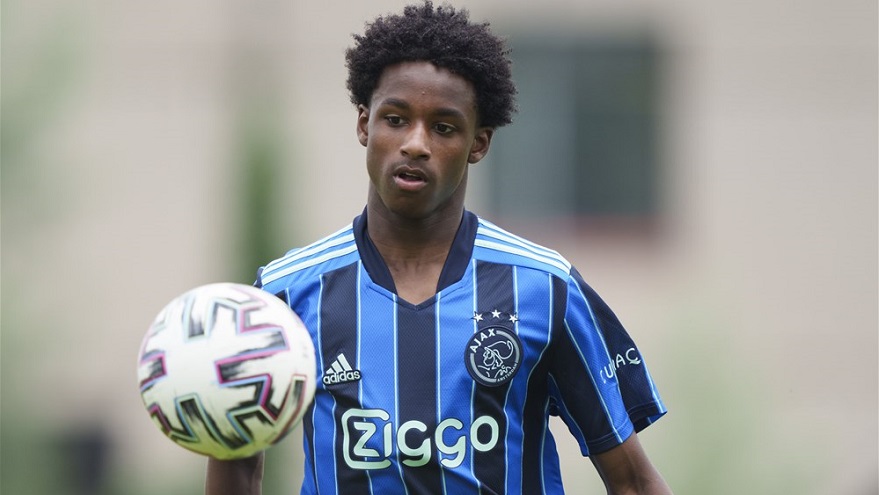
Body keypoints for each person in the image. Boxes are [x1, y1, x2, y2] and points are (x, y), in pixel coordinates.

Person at [206, 2, 671, 494]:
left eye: (443, 127)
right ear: (364, 125)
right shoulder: (284, 294)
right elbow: (237, 464)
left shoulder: (543, 287)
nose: (415, 144)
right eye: (395, 119)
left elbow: (633, 482)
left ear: (479, 143)